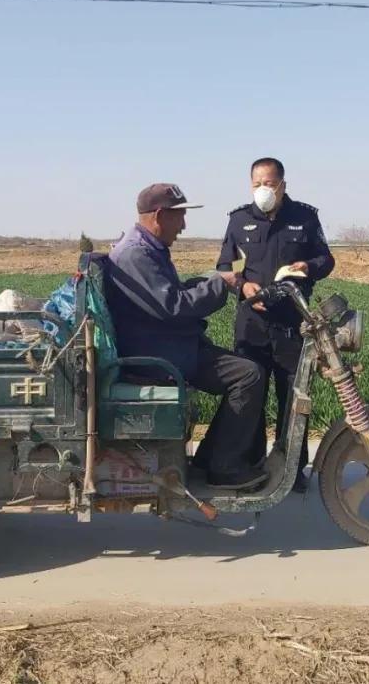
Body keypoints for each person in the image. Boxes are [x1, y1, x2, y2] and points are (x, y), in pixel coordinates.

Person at [106, 182, 268, 491]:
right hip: (159, 354)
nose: (183, 225)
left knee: (244, 369)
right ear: (159, 215)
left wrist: (211, 280)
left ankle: (211, 458)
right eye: (179, 215)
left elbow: (169, 293)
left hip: (163, 342)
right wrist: (220, 285)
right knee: (249, 375)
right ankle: (224, 467)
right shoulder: (136, 255)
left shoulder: (147, 247)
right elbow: (175, 306)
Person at [215, 158, 335, 491]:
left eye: (268, 183)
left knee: (294, 397)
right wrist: (242, 287)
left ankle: (294, 469)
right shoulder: (239, 220)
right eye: (256, 184)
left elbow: (327, 259)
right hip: (252, 324)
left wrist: (307, 266)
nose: (262, 190)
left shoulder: (305, 217)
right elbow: (225, 266)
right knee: (249, 394)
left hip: (293, 322)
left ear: (282, 184)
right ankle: (249, 465)